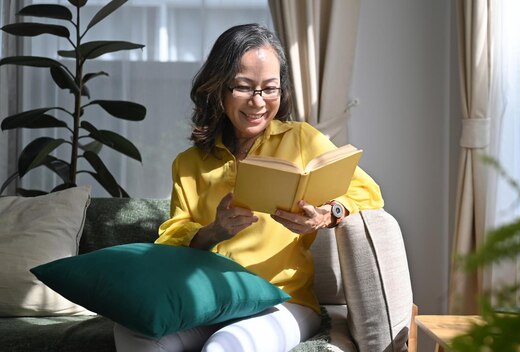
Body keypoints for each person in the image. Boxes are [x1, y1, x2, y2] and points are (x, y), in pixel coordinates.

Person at [114, 23, 383, 352]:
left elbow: (368, 191)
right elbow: (170, 241)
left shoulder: (301, 139)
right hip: (208, 299)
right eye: (244, 87)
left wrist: (327, 214)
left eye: (269, 89)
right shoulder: (190, 162)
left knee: (225, 347)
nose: (258, 102)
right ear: (219, 88)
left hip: (282, 302)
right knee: (133, 332)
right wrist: (214, 231)